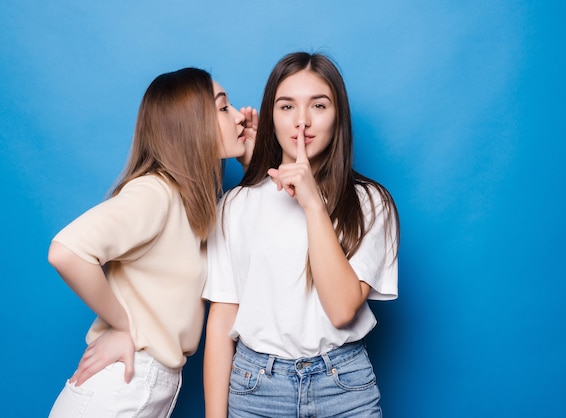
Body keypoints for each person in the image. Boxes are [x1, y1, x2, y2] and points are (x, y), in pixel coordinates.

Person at [47, 67, 257, 418]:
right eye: (223, 108)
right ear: (191, 124)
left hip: (142, 387)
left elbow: (261, 224)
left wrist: (253, 160)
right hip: (123, 386)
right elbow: (66, 251)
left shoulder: (193, 206)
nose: (238, 117)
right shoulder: (155, 192)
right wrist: (122, 325)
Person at [203, 52, 400, 417]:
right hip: (256, 389)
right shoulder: (236, 205)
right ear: (271, 115)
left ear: (338, 116)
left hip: (344, 389)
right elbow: (221, 322)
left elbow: (342, 310)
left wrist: (313, 204)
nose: (302, 122)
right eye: (287, 106)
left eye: (319, 106)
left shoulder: (371, 203)